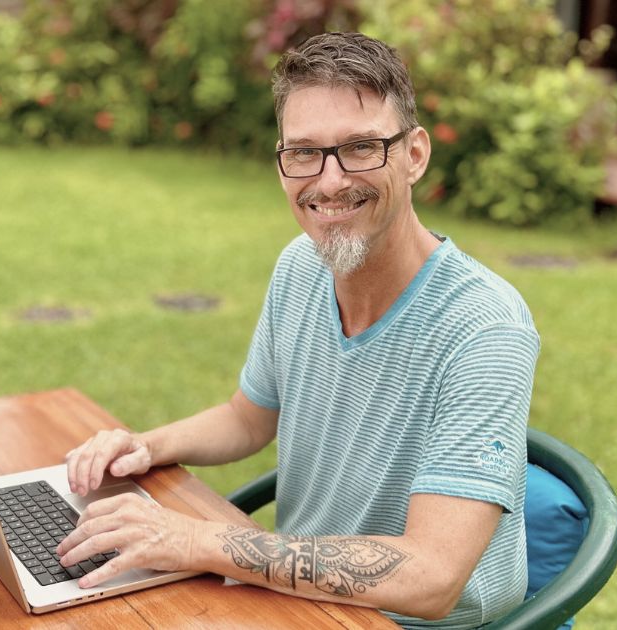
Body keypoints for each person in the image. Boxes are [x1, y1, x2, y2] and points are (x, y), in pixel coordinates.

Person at [55, 32, 540, 628]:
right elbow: (247, 418)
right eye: (304, 153)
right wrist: (145, 446)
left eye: (361, 147)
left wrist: (198, 541)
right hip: (299, 602)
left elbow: (431, 578)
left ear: (414, 155)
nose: (329, 182)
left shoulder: (484, 326)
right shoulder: (300, 267)